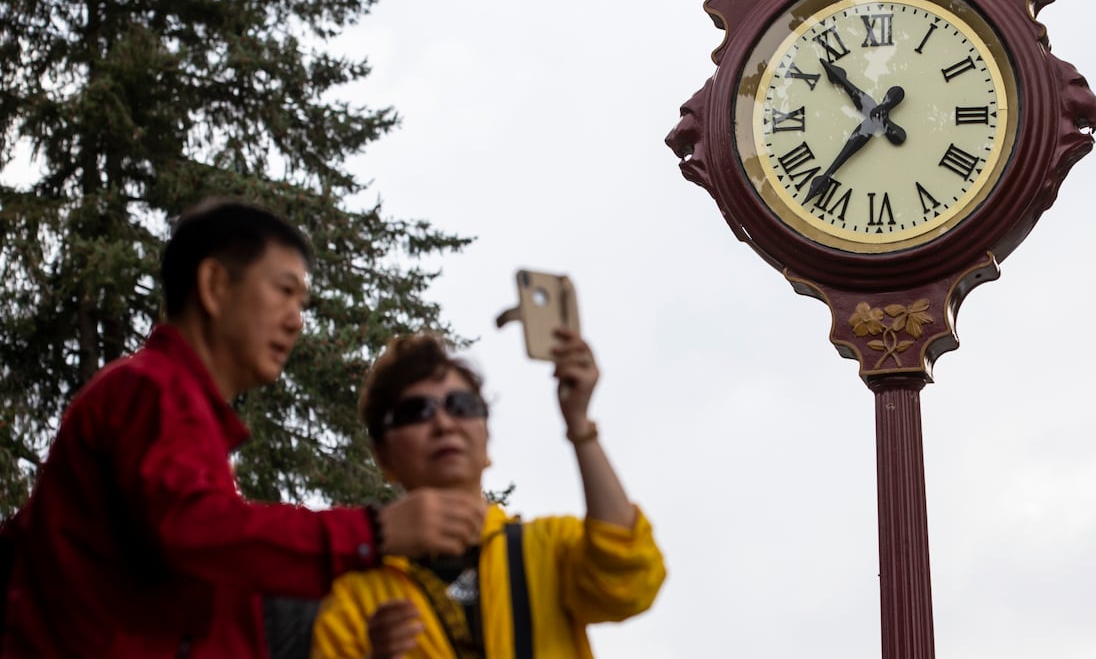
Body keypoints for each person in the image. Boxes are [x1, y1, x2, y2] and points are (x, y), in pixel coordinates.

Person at [1, 198, 486, 658]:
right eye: (284, 290)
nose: (296, 321)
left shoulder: (167, 406)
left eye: (303, 301)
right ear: (214, 285)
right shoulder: (150, 389)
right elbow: (196, 533)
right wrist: (374, 531)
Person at [309, 328, 665, 658]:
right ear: (383, 455)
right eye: (417, 411)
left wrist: (580, 425)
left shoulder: (548, 548)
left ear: (486, 439)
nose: (444, 424)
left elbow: (628, 580)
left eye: (462, 406)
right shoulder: (355, 600)